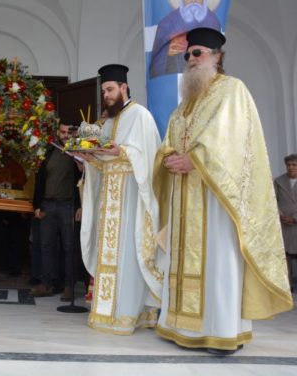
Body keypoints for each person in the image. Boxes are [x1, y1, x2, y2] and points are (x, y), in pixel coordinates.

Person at [154, 27, 293, 355]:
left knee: (219, 261)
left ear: (217, 56)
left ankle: (222, 331)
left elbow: (232, 140)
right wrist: (168, 157)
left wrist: (194, 160)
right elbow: (170, 138)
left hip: (216, 198)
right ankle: (181, 326)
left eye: (197, 53)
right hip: (185, 195)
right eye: (188, 55)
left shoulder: (232, 90)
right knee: (183, 259)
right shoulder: (185, 105)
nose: (191, 59)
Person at [78, 64, 164, 335]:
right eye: (104, 91)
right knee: (109, 254)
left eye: (110, 89)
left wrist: (123, 151)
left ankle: (128, 314)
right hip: (109, 199)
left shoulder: (141, 116)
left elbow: (151, 157)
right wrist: (90, 158)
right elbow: (104, 161)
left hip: (132, 199)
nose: (106, 95)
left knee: (129, 254)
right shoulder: (107, 123)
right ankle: (105, 312)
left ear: (124, 87)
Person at [31, 123, 82, 301]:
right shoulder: (48, 151)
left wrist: (80, 206)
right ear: (57, 133)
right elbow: (39, 179)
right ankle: (46, 284)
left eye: (69, 132)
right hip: (48, 205)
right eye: (62, 132)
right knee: (46, 246)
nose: (65, 135)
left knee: (69, 248)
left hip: (68, 205)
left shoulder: (78, 153)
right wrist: (37, 205)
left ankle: (69, 287)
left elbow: (83, 180)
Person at [149, 0, 221, 78]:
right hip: (173, 78)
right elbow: (157, 59)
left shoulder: (213, 21)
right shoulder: (167, 23)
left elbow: (216, 55)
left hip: (203, 78)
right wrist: (170, 50)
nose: (193, 0)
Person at [274, 154, 297, 292]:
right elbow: (272, 201)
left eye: (294, 165)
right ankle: (287, 286)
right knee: (285, 257)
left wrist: (295, 218)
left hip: (296, 224)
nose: (291, 167)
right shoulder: (278, 181)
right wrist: (281, 216)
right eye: (288, 165)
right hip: (284, 225)